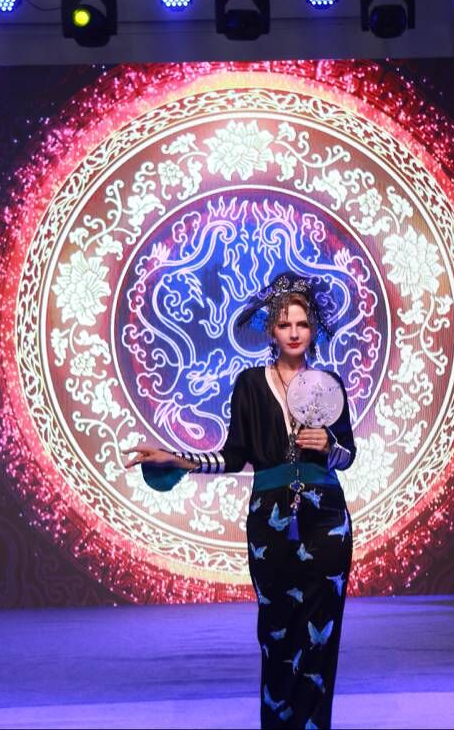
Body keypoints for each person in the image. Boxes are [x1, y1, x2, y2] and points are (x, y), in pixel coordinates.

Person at [125, 272, 356, 729]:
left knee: (320, 637)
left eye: (302, 324)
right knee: (277, 633)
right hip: (271, 520)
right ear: (271, 330)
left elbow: (348, 455)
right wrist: (180, 459)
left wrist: (329, 447)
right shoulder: (250, 384)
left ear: (313, 330)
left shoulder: (328, 384)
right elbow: (233, 456)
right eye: (285, 324)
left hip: (326, 521)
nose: (294, 333)